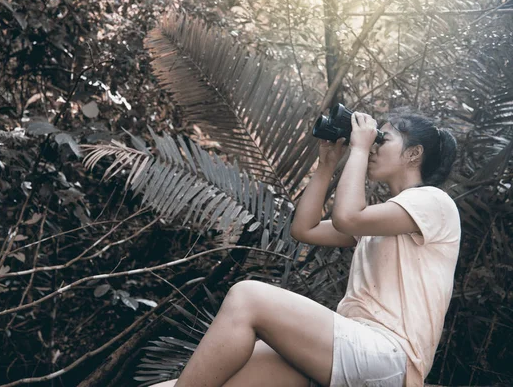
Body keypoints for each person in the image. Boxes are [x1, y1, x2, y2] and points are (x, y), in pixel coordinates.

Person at [151, 109, 460, 387]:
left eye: (383, 138)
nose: (375, 147)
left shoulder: (433, 202)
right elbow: (304, 229)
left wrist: (360, 147)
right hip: (351, 350)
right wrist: (326, 166)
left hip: (390, 357)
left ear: (413, 153)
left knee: (248, 297)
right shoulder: (384, 221)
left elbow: (347, 216)